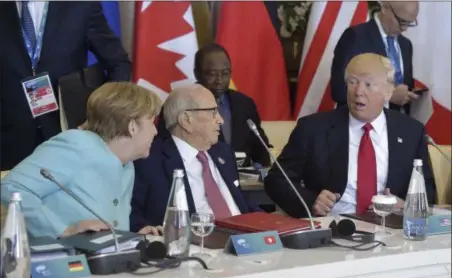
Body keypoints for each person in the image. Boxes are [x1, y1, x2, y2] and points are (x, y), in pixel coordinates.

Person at [265, 53, 436, 218]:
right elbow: (277, 180)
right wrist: (311, 202)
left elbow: (427, 191)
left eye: (368, 84)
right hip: (333, 227)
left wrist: (405, 206)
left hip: (391, 228)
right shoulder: (313, 128)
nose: (358, 91)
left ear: (388, 92)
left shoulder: (411, 131)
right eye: (353, 82)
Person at [1, 82, 162, 239]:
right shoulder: (77, 144)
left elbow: (107, 228)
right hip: (59, 261)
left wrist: (131, 239)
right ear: (132, 126)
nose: (155, 131)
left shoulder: (127, 165)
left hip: (102, 261)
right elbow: (12, 188)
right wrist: (62, 230)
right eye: (152, 122)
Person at [0, 1, 131, 171]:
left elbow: (119, 64)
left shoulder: (80, 7)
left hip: (68, 135)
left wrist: (102, 115)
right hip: (9, 142)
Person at [130, 84, 261, 231]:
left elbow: (241, 202)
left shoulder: (223, 153)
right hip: (196, 245)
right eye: (213, 112)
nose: (220, 120)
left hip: (243, 240)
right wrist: (144, 228)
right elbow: (131, 214)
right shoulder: (149, 160)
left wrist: (267, 222)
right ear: (186, 119)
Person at [157, 44, 272, 167]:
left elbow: (260, 148)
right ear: (196, 73)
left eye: (225, 73)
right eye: (212, 74)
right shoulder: (178, 104)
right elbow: (164, 148)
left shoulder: (244, 103)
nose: (219, 80)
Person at [330, 1, 420, 114]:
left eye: (409, 23)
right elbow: (339, 90)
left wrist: (410, 94)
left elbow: (402, 88)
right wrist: (387, 96)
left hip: (397, 127)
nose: (404, 28)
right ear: (385, 8)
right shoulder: (355, 37)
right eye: (401, 21)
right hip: (361, 127)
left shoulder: (406, 45)